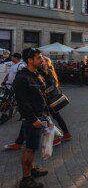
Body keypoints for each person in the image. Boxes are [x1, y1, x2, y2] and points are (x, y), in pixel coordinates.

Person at [14, 48, 51, 188]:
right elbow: (22, 102)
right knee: (29, 148)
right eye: (39, 58)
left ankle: (32, 169)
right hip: (32, 119)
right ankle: (26, 179)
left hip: (40, 116)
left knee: (32, 146)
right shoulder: (22, 78)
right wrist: (33, 119)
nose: (42, 60)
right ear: (30, 60)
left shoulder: (36, 74)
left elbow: (42, 92)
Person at [39, 57, 72, 144]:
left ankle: (57, 137)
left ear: (46, 62)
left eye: (42, 61)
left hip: (49, 99)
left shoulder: (48, 71)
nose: (41, 62)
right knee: (54, 117)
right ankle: (66, 134)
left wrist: (43, 91)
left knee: (49, 117)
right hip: (49, 99)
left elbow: (51, 85)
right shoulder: (46, 71)